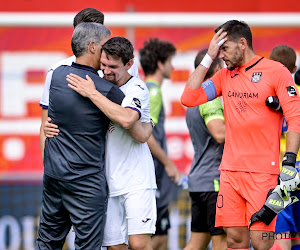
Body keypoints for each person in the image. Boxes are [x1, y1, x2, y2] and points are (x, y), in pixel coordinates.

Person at [180, 20, 300, 250]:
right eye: (218, 49)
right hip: (230, 174)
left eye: (224, 48)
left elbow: (295, 116)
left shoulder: (276, 72)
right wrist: (209, 57)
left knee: (261, 242)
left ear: (242, 44)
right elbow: (188, 98)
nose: (221, 55)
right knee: (235, 240)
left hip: (263, 173)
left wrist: (290, 161)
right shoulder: (224, 76)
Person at [35, 23, 125, 249]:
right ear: (93, 47)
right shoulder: (107, 89)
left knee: (47, 244)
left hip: (55, 177)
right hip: (86, 183)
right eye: (106, 46)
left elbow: (50, 122)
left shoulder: (56, 76)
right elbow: (127, 116)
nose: (109, 51)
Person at [62, 36, 157, 250]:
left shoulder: (137, 88)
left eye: (113, 67)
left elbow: (126, 118)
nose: (106, 71)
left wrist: (92, 94)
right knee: (114, 247)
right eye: (103, 65)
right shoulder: (97, 81)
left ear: (129, 64)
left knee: (139, 244)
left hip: (137, 180)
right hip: (107, 182)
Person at [39, 8, 139, 160]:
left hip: (116, 160)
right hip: (84, 167)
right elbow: (46, 125)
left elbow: (133, 116)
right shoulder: (57, 72)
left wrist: (146, 126)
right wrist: (48, 166)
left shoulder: (125, 67)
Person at [139, 38, 179, 250]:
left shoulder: (148, 90)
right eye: (170, 61)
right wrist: (168, 163)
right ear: (161, 64)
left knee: (161, 238)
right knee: (155, 239)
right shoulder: (152, 92)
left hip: (154, 173)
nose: (173, 66)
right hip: (152, 174)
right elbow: (147, 134)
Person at [184, 49, 227, 250]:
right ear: (217, 68)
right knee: (221, 241)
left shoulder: (194, 98)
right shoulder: (210, 98)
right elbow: (219, 134)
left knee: (197, 242)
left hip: (199, 180)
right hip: (213, 182)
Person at [267, 45, 300, 250]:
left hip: (280, 171)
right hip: (297, 167)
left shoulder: (265, 97)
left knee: (282, 234)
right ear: (295, 69)